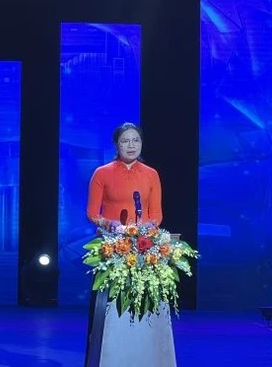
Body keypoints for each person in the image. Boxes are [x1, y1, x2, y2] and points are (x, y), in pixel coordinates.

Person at [83, 122, 176, 367]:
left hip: (143, 246)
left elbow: (156, 215)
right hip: (111, 246)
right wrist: (111, 225)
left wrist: (143, 230)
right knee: (108, 308)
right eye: (125, 141)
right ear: (117, 145)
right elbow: (92, 212)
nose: (131, 145)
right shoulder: (102, 173)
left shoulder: (151, 174)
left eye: (136, 140)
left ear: (142, 143)